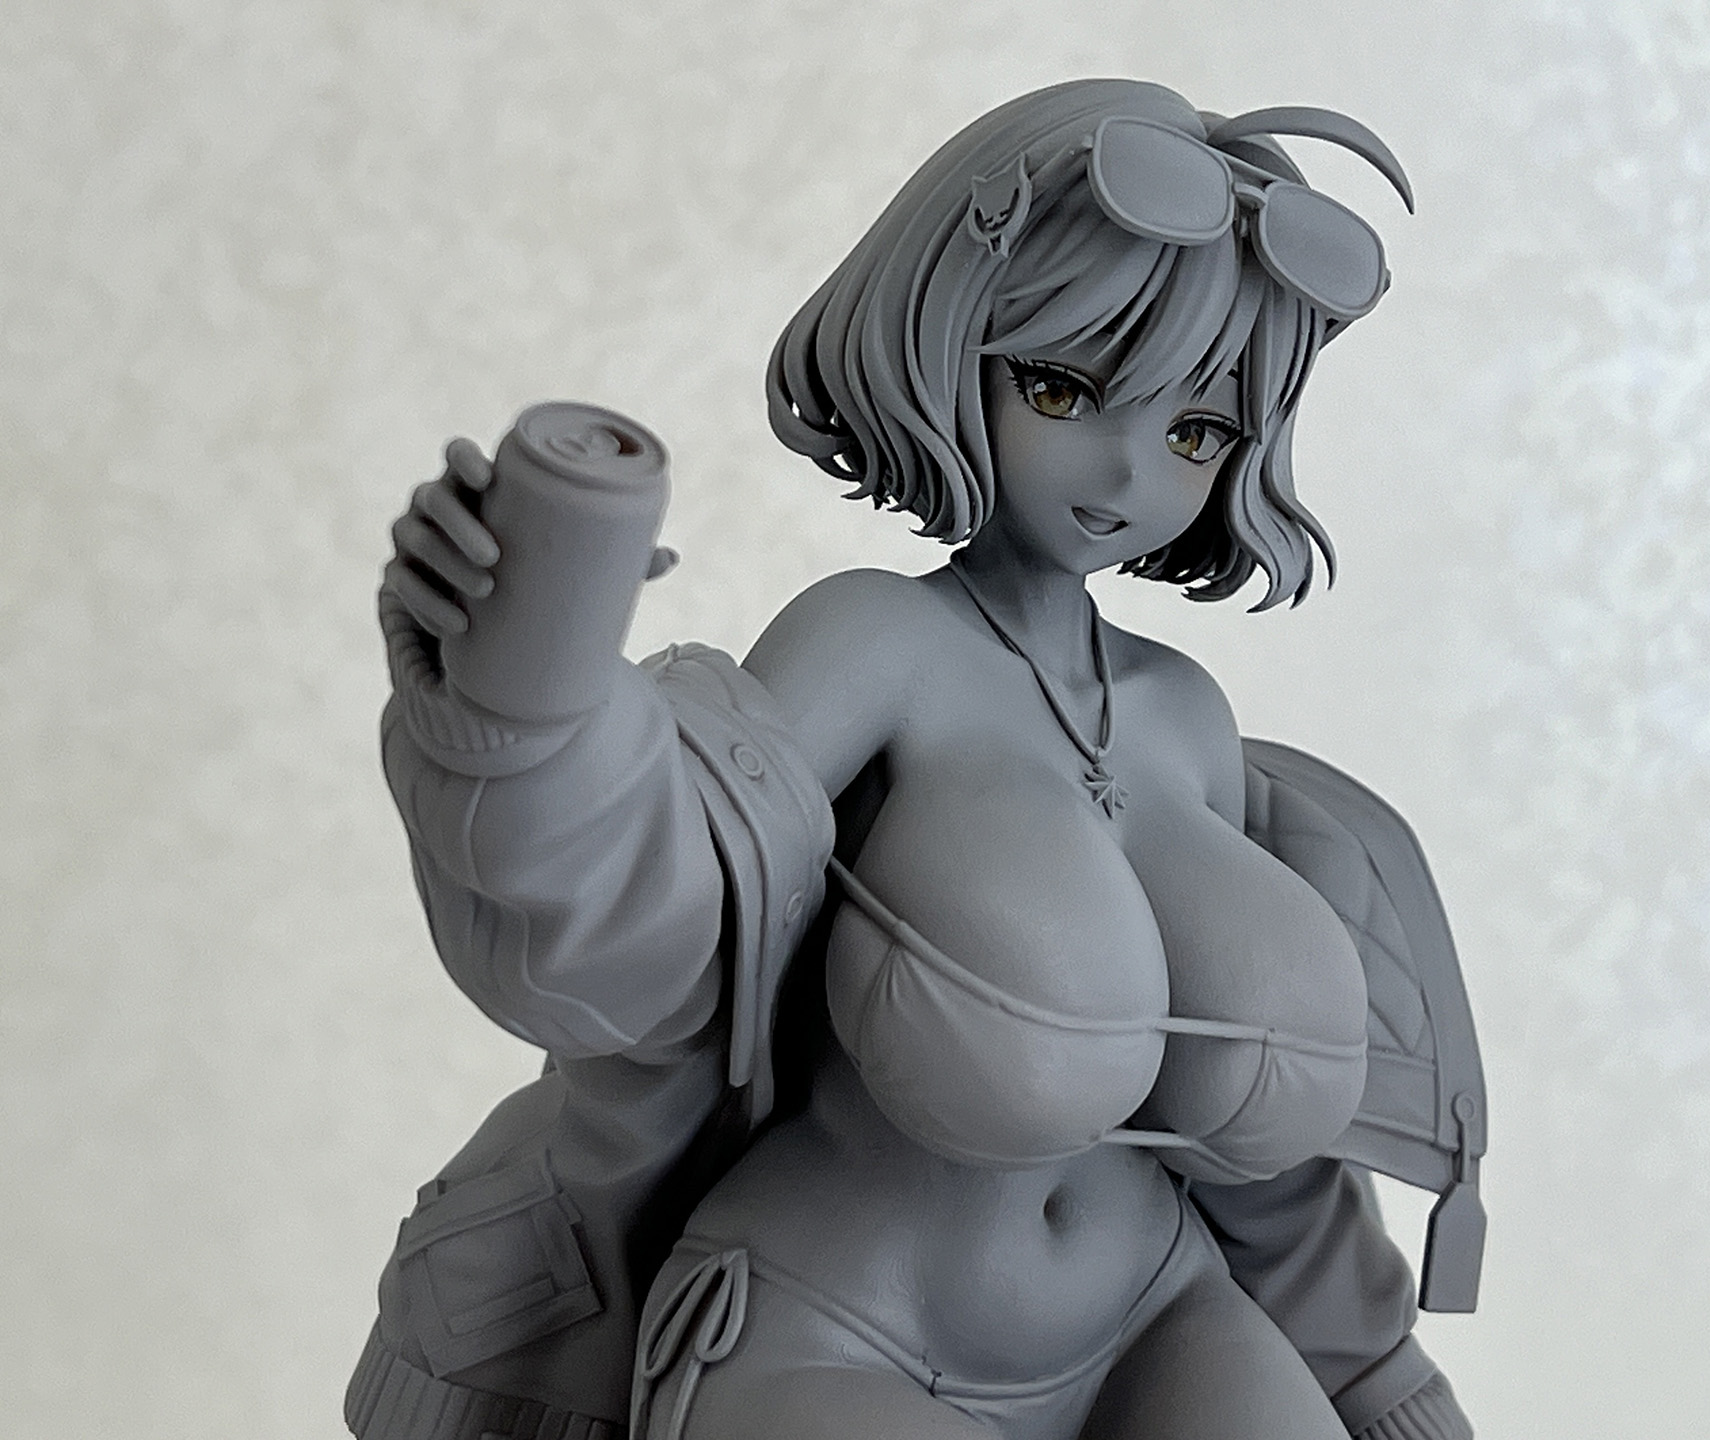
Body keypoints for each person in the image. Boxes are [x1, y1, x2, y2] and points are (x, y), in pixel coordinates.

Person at [348, 78, 1475, 1440]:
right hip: (843, 1331)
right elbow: (664, 902)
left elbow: (1265, 1173)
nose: (1127, 471)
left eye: (1196, 430)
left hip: (1161, 1316)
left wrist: (1373, 1377)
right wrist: (531, 696)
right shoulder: (875, 642)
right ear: (951, 343)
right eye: (1064, 387)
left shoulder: (1188, 713)